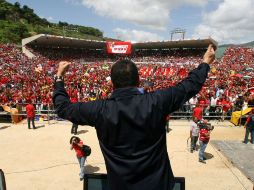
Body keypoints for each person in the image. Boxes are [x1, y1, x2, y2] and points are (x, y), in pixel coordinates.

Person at [53, 45, 215, 190]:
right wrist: (205, 62)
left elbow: (63, 107)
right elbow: (189, 86)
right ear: (138, 81)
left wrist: (59, 77)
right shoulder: (156, 101)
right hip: (158, 185)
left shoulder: (99, 109)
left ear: (112, 84)